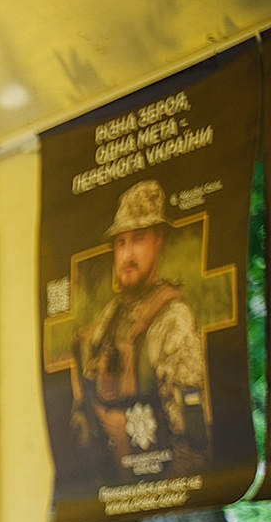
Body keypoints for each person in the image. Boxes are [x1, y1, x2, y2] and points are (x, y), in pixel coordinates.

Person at [72, 179, 210, 482]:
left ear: (158, 240)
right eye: (121, 243)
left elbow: (192, 443)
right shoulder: (109, 318)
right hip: (111, 485)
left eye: (138, 239)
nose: (127, 254)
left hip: (158, 483)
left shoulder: (173, 321)